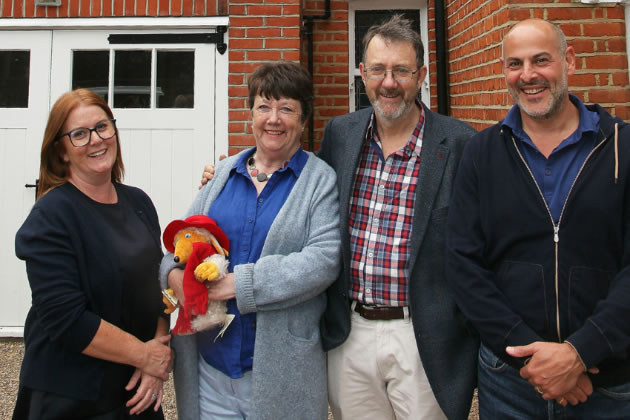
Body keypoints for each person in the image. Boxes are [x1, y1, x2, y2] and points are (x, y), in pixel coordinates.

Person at [446, 18, 630, 418]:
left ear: (571, 61)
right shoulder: (481, 153)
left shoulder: (623, 148)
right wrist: (531, 362)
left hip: (609, 383)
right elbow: (463, 263)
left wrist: (581, 353)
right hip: (510, 383)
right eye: (515, 64)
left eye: (541, 60)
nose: (527, 75)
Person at [317, 15, 478, 420]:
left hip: (423, 336)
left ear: (421, 75)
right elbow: (303, 197)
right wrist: (245, 171)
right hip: (350, 332)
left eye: (401, 70)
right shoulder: (341, 133)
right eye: (377, 70)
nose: (388, 82)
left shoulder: (461, 143)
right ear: (361, 73)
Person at [161, 61, 341, 419]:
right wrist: (173, 277)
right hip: (210, 371)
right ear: (251, 115)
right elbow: (178, 243)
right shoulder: (223, 174)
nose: (273, 118)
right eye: (264, 106)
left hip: (280, 374)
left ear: (304, 120)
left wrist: (237, 285)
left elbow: (323, 260)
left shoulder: (319, 180)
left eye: (286, 108)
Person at [13, 88, 173, 420]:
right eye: (79, 135)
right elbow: (67, 320)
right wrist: (144, 356)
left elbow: (159, 283)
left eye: (102, 127)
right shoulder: (51, 217)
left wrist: (158, 349)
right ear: (61, 151)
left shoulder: (138, 203)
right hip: (73, 395)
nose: (96, 140)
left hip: (135, 390)